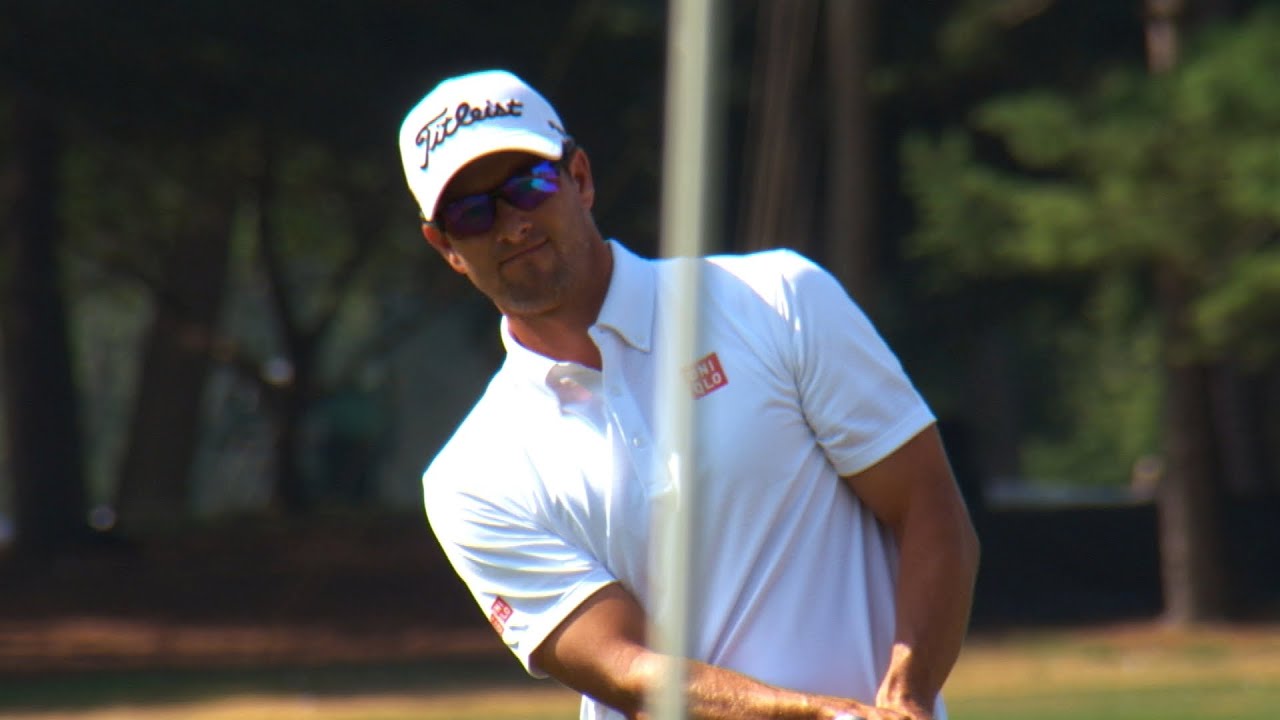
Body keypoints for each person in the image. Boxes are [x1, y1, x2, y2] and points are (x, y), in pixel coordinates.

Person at [397, 68, 980, 720]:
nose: (509, 228)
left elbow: (928, 506)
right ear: (443, 244)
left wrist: (906, 694)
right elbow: (628, 672)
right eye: (470, 213)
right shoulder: (469, 478)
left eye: (528, 186)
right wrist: (821, 716)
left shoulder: (778, 299)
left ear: (580, 178)